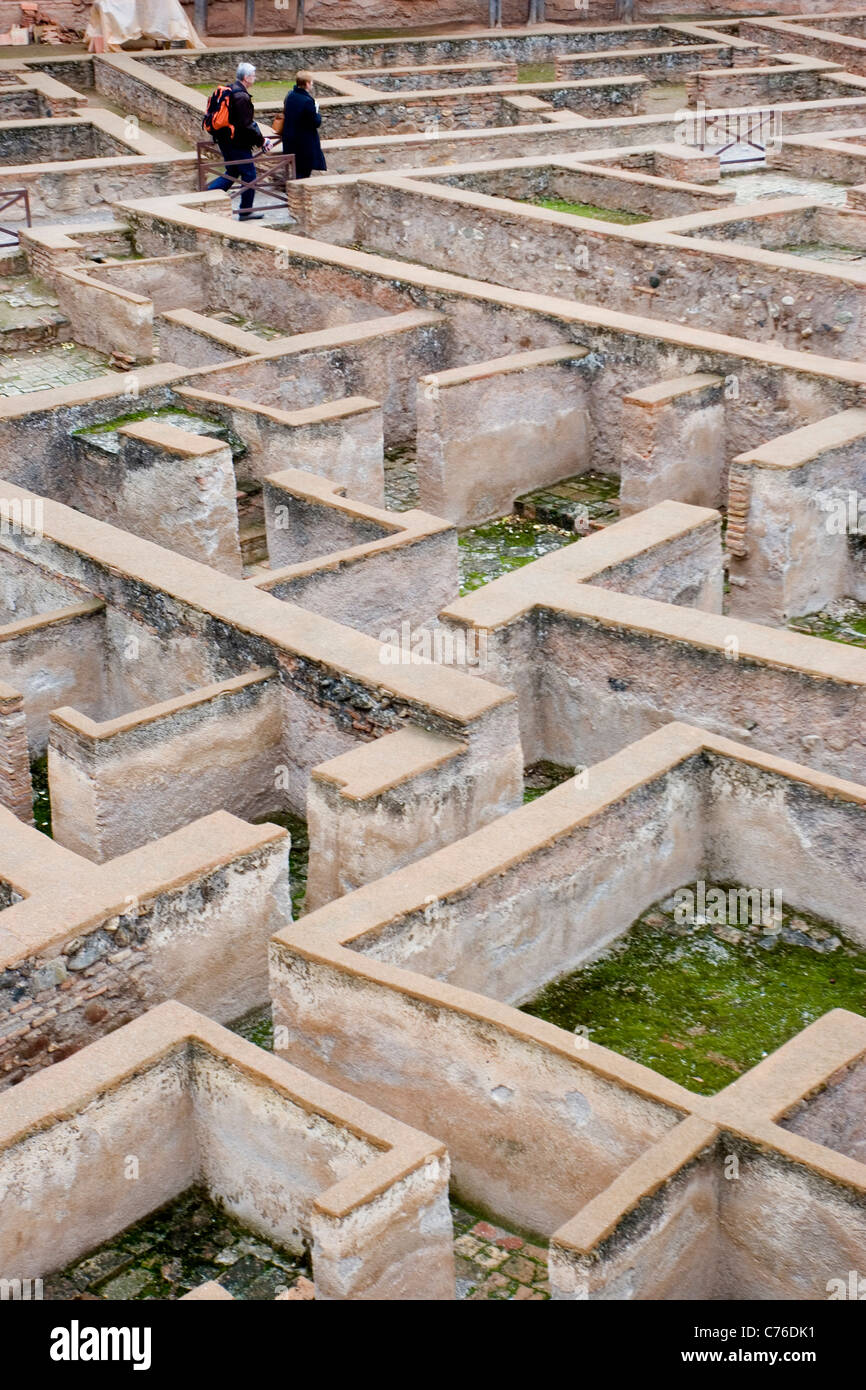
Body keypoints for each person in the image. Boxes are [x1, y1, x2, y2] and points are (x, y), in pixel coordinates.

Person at [206, 62, 265, 221]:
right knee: (250, 174)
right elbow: (246, 125)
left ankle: (207, 196)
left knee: (232, 172)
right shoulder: (241, 96)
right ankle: (245, 211)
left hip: (225, 140)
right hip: (237, 143)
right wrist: (262, 142)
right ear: (246, 78)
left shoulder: (231, 89)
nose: (255, 78)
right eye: (253, 75)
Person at [281, 71, 326, 181]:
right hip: (304, 143)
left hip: (290, 140)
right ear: (306, 84)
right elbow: (315, 122)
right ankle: (297, 197)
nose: (312, 84)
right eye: (311, 82)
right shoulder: (307, 101)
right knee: (303, 174)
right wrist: (317, 112)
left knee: (297, 171)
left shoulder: (290, 95)